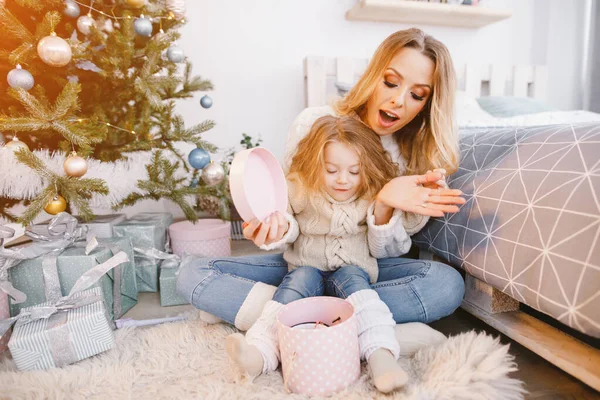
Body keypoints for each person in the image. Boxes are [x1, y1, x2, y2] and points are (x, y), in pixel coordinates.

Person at [177, 28, 466, 348]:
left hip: (364, 270)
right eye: (391, 81)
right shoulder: (314, 123)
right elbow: (290, 209)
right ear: (373, 76)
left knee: (447, 284)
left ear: (428, 103)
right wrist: (275, 229)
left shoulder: (415, 156)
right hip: (304, 262)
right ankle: (371, 327)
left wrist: (384, 205)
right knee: (192, 273)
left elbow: (392, 252)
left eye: (417, 94)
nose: (398, 100)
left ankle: (282, 318)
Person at [227, 115, 410, 393]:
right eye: (332, 169)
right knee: (288, 293)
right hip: (306, 271)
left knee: (362, 291)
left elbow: (380, 247)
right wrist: (277, 229)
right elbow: (286, 221)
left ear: (367, 168)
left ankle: (381, 357)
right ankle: (257, 354)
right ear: (317, 163)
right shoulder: (301, 187)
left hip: (352, 275)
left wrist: (391, 208)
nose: (343, 180)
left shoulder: (373, 193)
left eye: (354, 171)